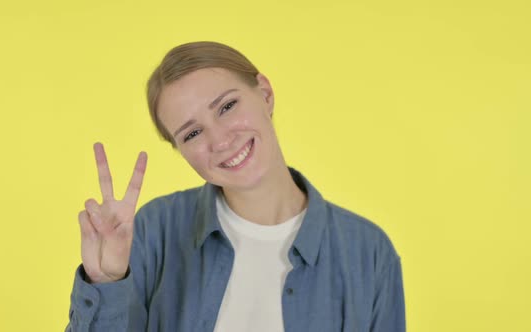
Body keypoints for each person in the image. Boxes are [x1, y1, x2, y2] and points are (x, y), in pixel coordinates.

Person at [65, 41, 405, 332]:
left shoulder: (369, 253)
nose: (221, 139)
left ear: (266, 94)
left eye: (227, 107)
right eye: (192, 133)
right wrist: (106, 282)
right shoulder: (152, 232)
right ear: (181, 151)